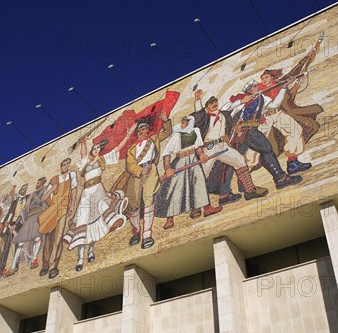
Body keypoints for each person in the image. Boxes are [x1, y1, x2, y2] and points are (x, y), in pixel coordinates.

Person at [64, 125, 134, 271]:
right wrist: (83, 141)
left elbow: (117, 149)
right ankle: (80, 258)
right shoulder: (85, 163)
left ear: (100, 150)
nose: (95, 150)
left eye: (97, 148)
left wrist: (128, 135)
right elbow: (83, 154)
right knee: (83, 222)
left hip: (98, 191)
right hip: (86, 194)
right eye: (94, 148)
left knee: (98, 221)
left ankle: (90, 251)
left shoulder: (102, 160)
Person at [191, 90, 269, 202]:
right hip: (208, 148)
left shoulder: (224, 114)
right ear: (206, 107)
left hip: (222, 146)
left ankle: (250, 190)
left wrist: (242, 101)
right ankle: (195, 204)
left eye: (215, 101)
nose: (214, 104)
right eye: (211, 103)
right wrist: (198, 100)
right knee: (202, 175)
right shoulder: (204, 117)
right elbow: (198, 112)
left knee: (240, 160)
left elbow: (231, 106)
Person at [224, 80, 303, 189]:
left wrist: (284, 87)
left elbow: (275, 104)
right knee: (265, 150)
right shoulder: (243, 100)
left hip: (253, 129)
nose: (258, 87)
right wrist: (242, 101)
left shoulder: (262, 98)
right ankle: (280, 179)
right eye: (255, 86)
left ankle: (275, 179)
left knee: (261, 153)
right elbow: (224, 109)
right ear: (249, 90)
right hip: (245, 132)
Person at [155, 115, 222, 230]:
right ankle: (170, 218)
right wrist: (168, 169)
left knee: (199, 183)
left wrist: (202, 155)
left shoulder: (196, 132)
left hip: (194, 161)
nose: (183, 123)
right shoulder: (177, 135)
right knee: (175, 188)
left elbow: (198, 148)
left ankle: (207, 208)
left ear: (190, 122)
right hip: (180, 162)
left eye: (185, 121)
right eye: (182, 121)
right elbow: (167, 154)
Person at [253, 69, 313, 174]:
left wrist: (291, 83)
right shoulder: (258, 89)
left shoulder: (278, 84)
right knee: (257, 144)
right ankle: (247, 167)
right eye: (262, 78)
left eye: (266, 77)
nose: (263, 80)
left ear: (272, 77)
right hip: (264, 118)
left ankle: (292, 162)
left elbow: (292, 76)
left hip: (277, 113)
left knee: (295, 130)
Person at [125, 113, 172, 249]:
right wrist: (140, 171)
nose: (140, 132)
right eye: (138, 130)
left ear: (147, 129)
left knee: (148, 200)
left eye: (143, 129)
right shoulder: (131, 149)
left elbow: (167, 132)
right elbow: (130, 165)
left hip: (151, 170)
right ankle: (136, 232)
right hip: (137, 175)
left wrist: (165, 121)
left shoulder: (153, 138)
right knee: (133, 204)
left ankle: (147, 235)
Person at [38, 158, 78, 279]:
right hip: (53, 209)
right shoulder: (55, 179)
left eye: (67, 164)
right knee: (48, 237)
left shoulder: (72, 176)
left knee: (59, 237)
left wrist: (72, 205)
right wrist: (52, 188)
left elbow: (73, 191)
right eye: (63, 165)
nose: (65, 166)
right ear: (60, 167)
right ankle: (45, 264)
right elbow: (43, 198)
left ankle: (54, 265)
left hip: (64, 208)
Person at [5, 178, 49, 276]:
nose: (36, 184)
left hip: (39, 216)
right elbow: (24, 211)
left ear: (42, 183)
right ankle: (12, 267)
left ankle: (34, 260)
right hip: (29, 219)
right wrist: (15, 225)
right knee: (20, 243)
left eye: (38, 182)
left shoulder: (45, 190)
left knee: (37, 238)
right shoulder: (32, 195)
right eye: (37, 182)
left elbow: (47, 203)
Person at [0, 184, 27, 278]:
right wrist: (6, 222)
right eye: (22, 188)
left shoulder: (28, 199)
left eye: (25, 189)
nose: (23, 190)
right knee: (6, 247)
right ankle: (0, 270)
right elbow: (10, 212)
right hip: (11, 224)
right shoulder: (15, 201)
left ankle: (15, 266)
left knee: (18, 245)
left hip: (22, 224)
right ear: (20, 190)